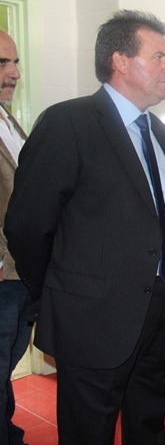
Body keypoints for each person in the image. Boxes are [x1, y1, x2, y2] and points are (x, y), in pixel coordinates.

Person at [5, 10, 165, 444]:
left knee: (147, 423)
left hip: (159, 308)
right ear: (121, 61)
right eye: (160, 55)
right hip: (93, 316)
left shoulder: (156, 131)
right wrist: (55, 292)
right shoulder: (68, 123)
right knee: (89, 431)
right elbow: (28, 226)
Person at [0, 29, 32, 445]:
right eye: (2, 63)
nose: (14, 73)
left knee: (7, 358)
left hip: (19, 270)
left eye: (15, 62)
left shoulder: (8, 117)